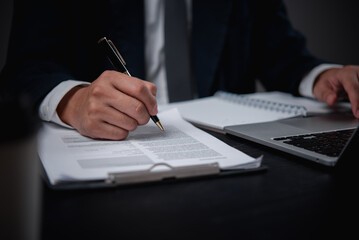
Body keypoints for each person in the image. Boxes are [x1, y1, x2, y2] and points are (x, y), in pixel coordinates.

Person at [1, 0, 359, 140]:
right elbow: (26, 67)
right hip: (113, 153)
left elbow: (281, 53)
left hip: (231, 155)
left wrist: (322, 76)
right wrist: (75, 101)